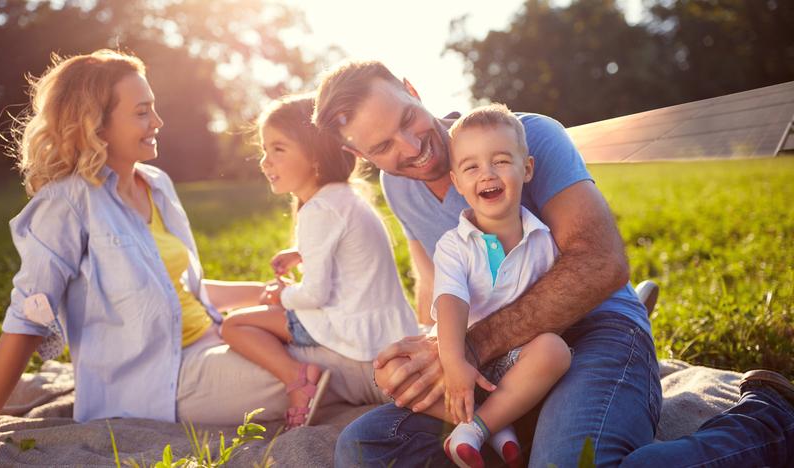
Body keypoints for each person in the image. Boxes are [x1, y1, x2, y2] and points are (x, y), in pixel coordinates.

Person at [313, 60, 794, 467]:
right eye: (382, 148)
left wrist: (467, 348)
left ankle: (769, 421)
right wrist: (427, 356)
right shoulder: (398, 185)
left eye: (407, 119)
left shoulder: (527, 137)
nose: (410, 147)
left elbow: (601, 263)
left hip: (594, 328)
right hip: (498, 356)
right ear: (359, 155)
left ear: (413, 91)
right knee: (364, 446)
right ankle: (511, 432)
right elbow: (436, 281)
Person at [0, 50, 385, 439]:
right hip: (160, 382)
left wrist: (268, 295)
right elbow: (26, 323)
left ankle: (433, 381)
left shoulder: (156, 184)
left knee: (346, 336)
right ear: (97, 124)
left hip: (214, 339)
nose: (158, 121)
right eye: (142, 112)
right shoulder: (65, 204)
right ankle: (435, 399)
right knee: (336, 366)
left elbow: (183, 291)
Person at [382, 104, 571, 467]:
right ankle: (500, 425)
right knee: (387, 370)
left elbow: (555, 309)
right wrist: (454, 362)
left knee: (555, 351)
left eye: (500, 161)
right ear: (457, 182)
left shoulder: (544, 240)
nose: (487, 174)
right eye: (471, 167)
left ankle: (477, 428)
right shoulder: (454, 245)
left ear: (526, 168)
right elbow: (451, 302)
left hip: (515, 359)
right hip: (461, 351)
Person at [219, 94, 419, 430]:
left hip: (352, 330)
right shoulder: (345, 197)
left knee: (234, 325)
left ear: (314, 156)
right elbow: (345, 248)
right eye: (265, 150)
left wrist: (279, 296)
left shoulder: (318, 210)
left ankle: (298, 379)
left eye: (278, 149)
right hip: (388, 326)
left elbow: (314, 295)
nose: (265, 162)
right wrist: (300, 252)